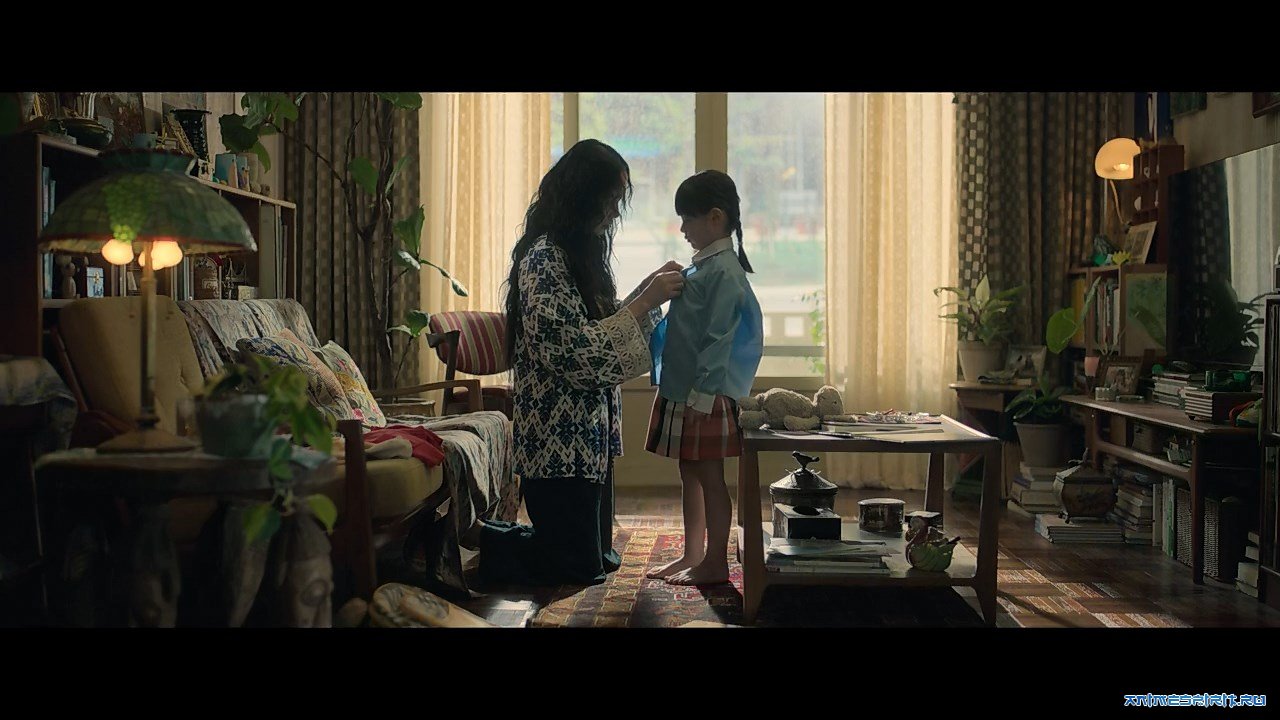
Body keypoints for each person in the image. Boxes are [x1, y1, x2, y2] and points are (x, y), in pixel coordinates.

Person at [473, 139, 685, 586]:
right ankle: (477, 546)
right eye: (610, 199)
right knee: (575, 567)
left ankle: (513, 544)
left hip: (586, 441)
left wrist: (646, 294)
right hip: (556, 439)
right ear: (584, 195)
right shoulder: (544, 258)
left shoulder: (578, 254)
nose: (614, 211)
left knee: (597, 558)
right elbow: (575, 352)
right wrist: (646, 300)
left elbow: (602, 327)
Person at [644, 169, 763, 585]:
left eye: (688, 219)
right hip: (685, 388)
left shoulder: (724, 272)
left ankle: (715, 561)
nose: (683, 229)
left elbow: (718, 338)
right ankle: (693, 553)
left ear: (715, 218)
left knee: (710, 476)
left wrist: (702, 396)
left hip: (704, 393)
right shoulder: (704, 267)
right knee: (689, 471)